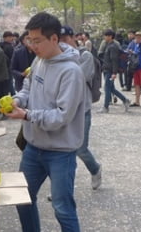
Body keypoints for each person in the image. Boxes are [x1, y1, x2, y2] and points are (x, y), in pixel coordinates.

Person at [5, 12, 85, 232]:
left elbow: (61, 116)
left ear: (54, 39)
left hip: (61, 152)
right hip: (33, 149)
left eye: (37, 40)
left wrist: (27, 115)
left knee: (63, 208)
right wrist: (17, 100)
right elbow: (28, 88)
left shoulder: (71, 71)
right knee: (22, 199)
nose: (32, 46)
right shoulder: (39, 60)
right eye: (30, 40)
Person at [60, 26, 103, 190]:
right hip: (62, 109)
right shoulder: (56, 57)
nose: (63, 44)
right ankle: (62, 186)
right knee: (63, 150)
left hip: (81, 109)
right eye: (60, 41)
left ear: (73, 38)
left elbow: (78, 76)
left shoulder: (85, 55)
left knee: (80, 148)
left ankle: (95, 169)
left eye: (65, 40)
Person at [99, 29, 131, 113]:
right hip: (107, 69)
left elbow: (114, 60)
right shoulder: (109, 45)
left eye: (105, 36)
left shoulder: (113, 47)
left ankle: (105, 107)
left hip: (110, 70)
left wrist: (114, 72)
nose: (104, 37)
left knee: (107, 88)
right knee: (111, 88)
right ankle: (125, 100)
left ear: (110, 36)